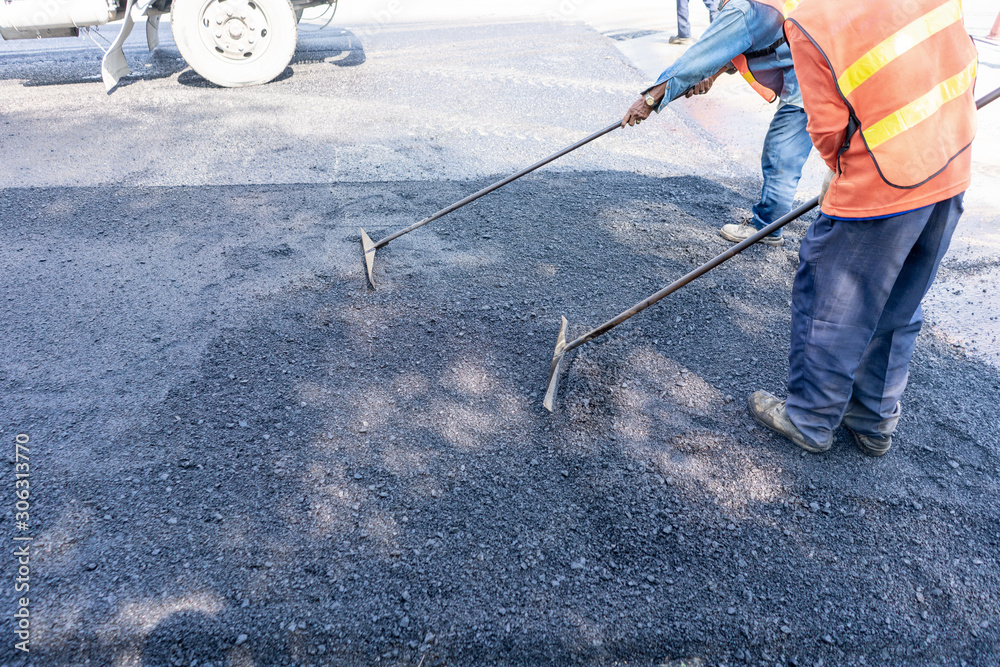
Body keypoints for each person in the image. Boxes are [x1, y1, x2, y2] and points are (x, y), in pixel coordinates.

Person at [746, 0, 978, 456]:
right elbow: (963, 59)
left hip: (883, 183)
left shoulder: (811, 21)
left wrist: (839, 172)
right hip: (951, 165)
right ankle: (872, 419)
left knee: (832, 302)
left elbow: (828, 128)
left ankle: (810, 418)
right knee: (901, 300)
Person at [624, 0, 813, 248]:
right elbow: (754, 41)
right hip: (823, 69)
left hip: (811, 81)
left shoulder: (744, 7)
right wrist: (712, 75)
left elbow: (697, 58)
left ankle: (767, 226)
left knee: (780, 153)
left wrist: (649, 100)